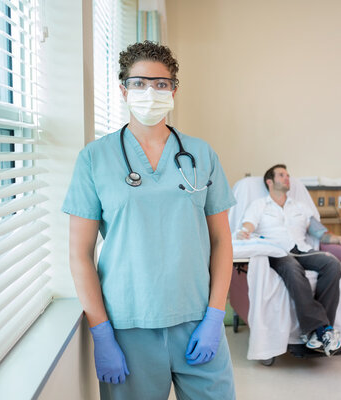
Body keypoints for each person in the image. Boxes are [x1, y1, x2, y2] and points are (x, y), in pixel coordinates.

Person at [62, 41, 236, 399]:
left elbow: (221, 241)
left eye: (161, 83)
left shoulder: (201, 154)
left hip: (197, 318)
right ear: (123, 89)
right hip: (128, 326)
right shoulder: (94, 158)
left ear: (174, 90)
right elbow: (80, 254)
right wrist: (102, 333)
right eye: (139, 83)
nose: (150, 92)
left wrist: (216, 315)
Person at [236, 164, 341, 356]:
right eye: (282, 175)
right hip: (278, 253)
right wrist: (245, 232)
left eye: (288, 175)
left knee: (332, 264)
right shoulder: (259, 205)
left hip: (303, 250)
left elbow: (320, 233)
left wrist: (338, 239)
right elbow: (248, 225)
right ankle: (321, 329)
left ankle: (318, 335)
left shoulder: (300, 207)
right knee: (293, 269)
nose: (287, 178)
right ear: (270, 181)